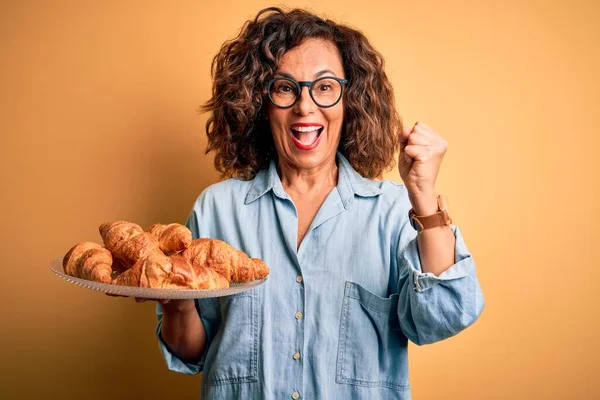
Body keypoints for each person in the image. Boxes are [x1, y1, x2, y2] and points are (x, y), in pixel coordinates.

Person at [154, 7, 485, 400]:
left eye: (325, 87)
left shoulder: (393, 211)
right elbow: (192, 352)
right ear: (261, 102)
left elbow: (442, 318)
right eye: (285, 87)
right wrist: (174, 302)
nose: (305, 106)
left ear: (351, 101)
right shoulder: (217, 209)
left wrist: (425, 196)